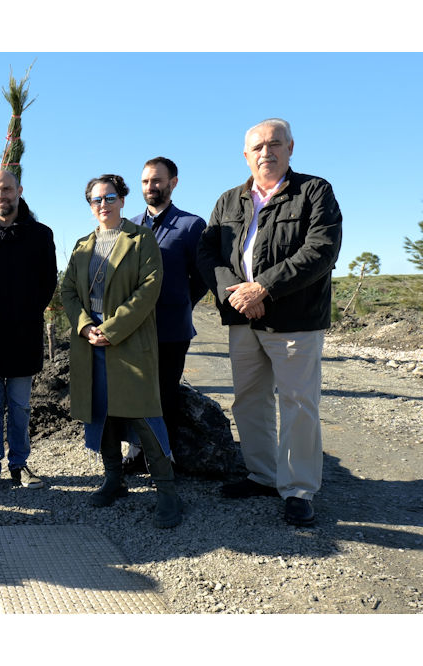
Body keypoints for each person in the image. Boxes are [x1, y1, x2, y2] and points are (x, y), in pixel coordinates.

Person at [197, 118, 342, 527]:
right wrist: (236, 293)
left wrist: (263, 288)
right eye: (258, 147)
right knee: (249, 399)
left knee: (298, 404)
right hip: (242, 318)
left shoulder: (314, 191)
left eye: (275, 144)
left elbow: (322, 249)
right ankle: (262, 475)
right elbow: (207, 254)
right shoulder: (229, 201)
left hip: (294, 320)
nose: (267, 152)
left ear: (291, 148)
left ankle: (298, 490)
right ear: (246, 155)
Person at [60, 174, 182, 529]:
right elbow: (68, 291)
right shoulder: (83, 245)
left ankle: (167, 492)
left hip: (128, 340)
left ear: (122, 201)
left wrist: (111, 330)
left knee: (145, 416)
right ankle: (114, 480)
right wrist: (85, 326)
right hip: (89, 341)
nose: (103, 205)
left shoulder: (141, 238)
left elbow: (148, 289)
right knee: (103, 413)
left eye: (109, 198)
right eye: (96, 200)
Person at [0, 170, 57, 492]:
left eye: (6, 189)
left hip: (23, 336)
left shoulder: (40, 234)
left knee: (19, 407)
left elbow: (48, 282)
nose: (0, 196)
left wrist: (26, 313)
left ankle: (19, 465)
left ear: (19, 190)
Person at [123, 157, 208, 472]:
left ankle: (163, 458)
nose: (150, 187)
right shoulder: (128, 226)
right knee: (133, 393)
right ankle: (134, 453)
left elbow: (200, 278)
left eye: (157, 181)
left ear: (173, 182)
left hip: (171, 330)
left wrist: (181, 302)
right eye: (145, 181)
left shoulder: (191, 225)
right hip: (133, 330)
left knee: (164, 395)